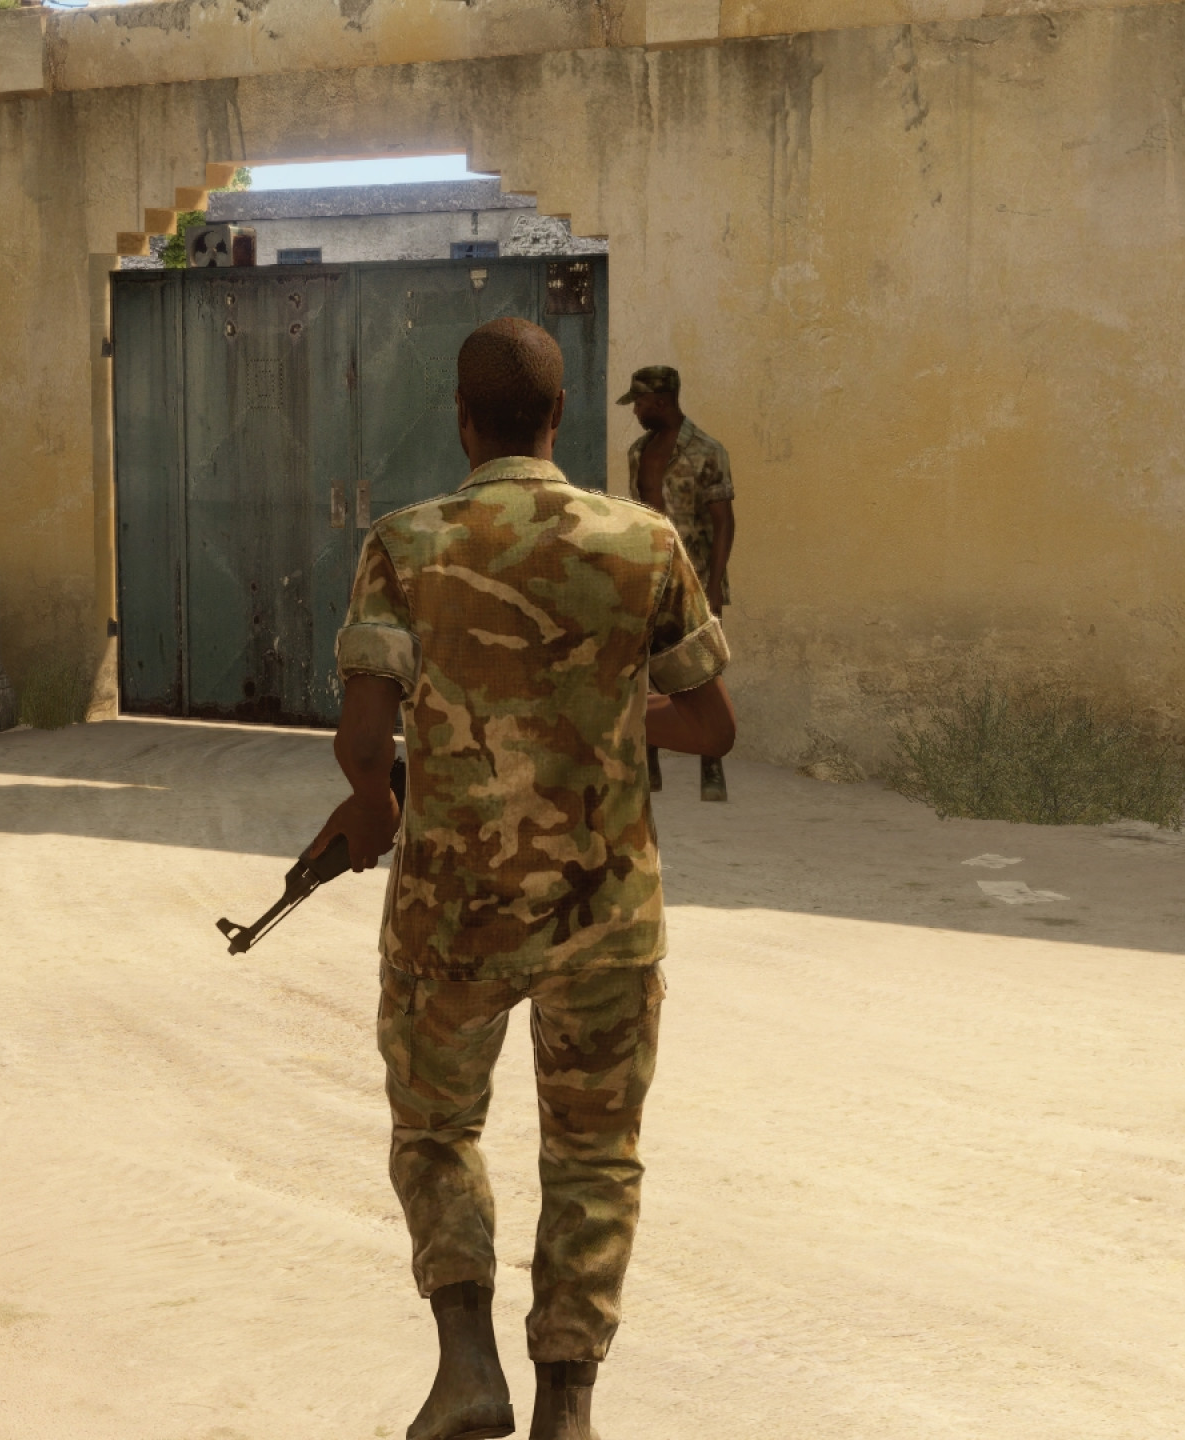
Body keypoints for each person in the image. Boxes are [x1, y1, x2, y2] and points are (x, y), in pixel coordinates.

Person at [312, 318, 737, 1440]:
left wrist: (374, 807)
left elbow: (362, 740)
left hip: (451, 917)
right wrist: (606, 716)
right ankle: (567, 1410)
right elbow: (712, 724)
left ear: (463, 420)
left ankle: (466, 1365)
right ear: (559, 416)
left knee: (436, 1129)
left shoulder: (406, 544)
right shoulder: (645, 542)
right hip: (607, 918)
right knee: (593, 1156)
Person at [618, 365, 735, 802]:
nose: (636, 412)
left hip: (696, 579)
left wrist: (716, 586)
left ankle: (711, 768)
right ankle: (648, 764)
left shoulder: (708, 451)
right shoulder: (637, 452)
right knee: (643, 670)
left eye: (640, 403)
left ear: (661, 401)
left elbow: (724, 522)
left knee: (704, 671)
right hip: (650, 575)